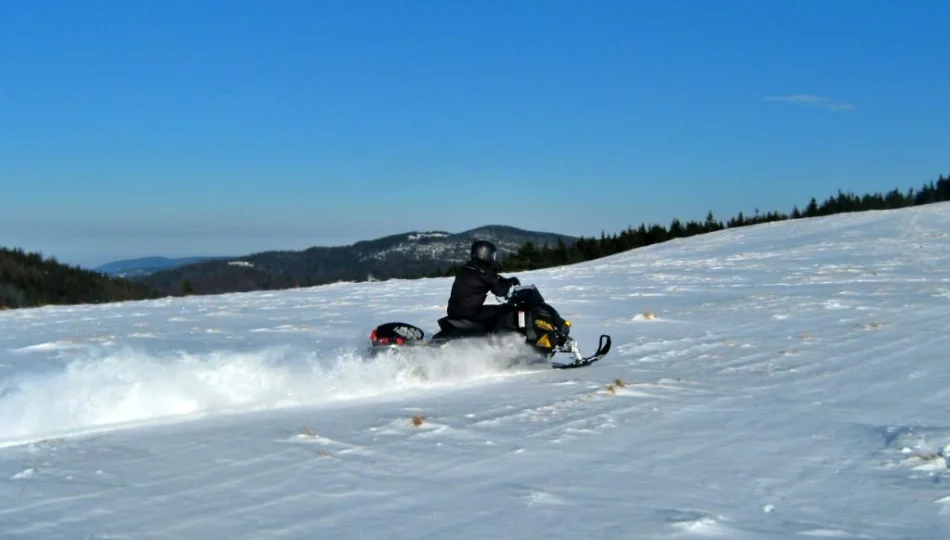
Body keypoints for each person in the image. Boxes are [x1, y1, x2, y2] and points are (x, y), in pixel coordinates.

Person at [446, 240, 520, 328]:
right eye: (492, 254)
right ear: (484, 253)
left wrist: (507, 281)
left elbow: (493, 279)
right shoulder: (485, 270)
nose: (493, 257)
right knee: (505, 310)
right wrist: (509, 286)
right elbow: (499, 290)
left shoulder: (469, 267)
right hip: (469, 312)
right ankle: (501, 337)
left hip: (454, 311)